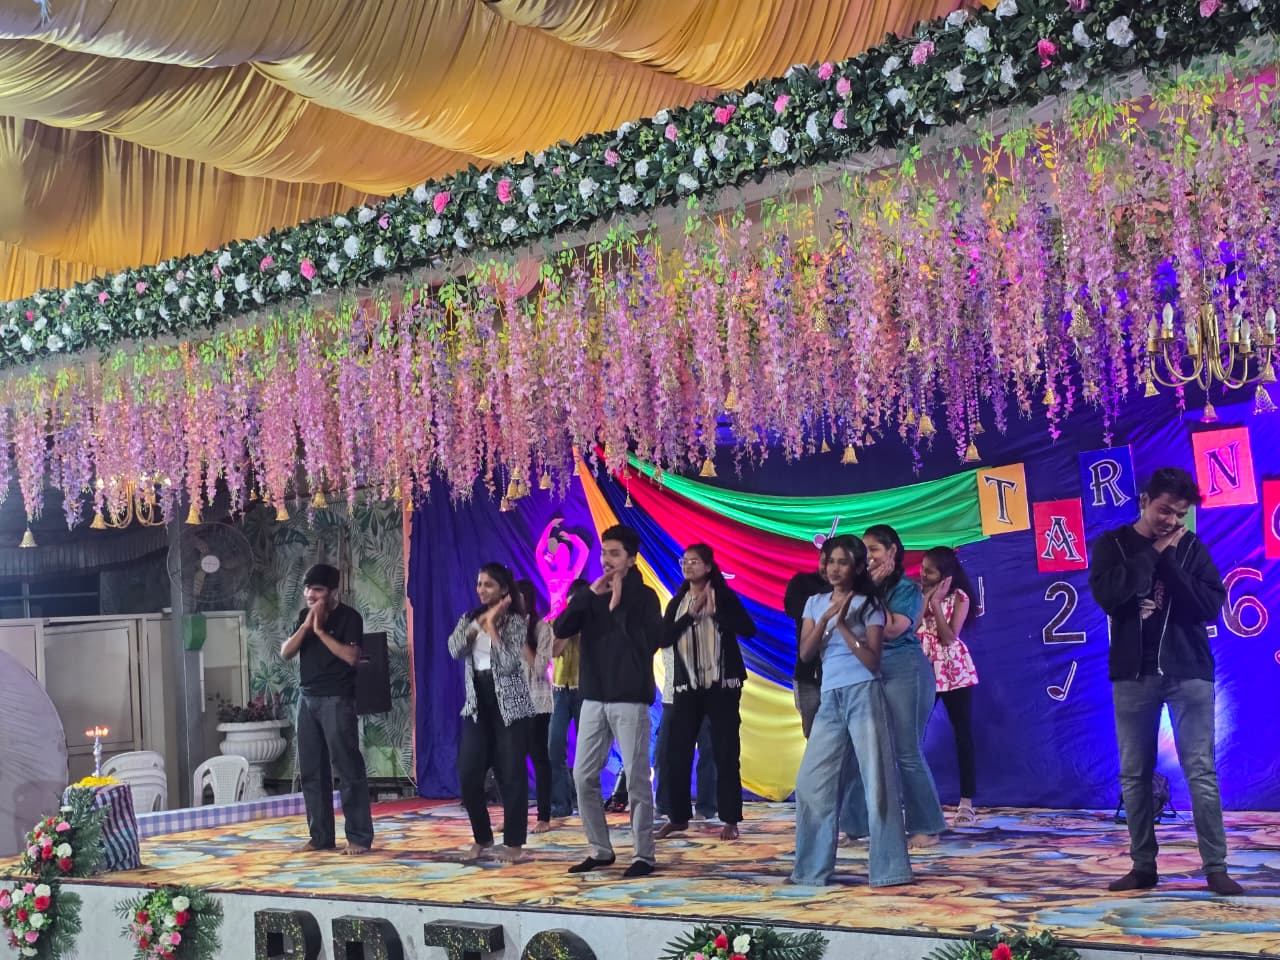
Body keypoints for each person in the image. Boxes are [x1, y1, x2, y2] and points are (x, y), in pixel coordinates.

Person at [1088, 466, 1242, 896]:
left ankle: (1215, 867)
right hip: (1133, 674)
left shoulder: (1190, 547)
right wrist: (1154, 552)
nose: (1171, 521)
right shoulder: (1114, 544)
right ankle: (1143, 867)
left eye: (1179, 514)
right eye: (1164, 510)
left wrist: (1170, 559)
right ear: (1144, 502)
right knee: (1134, 774)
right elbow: (1109, 595)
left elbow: (1207, 607)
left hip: (1188, 672)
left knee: (1201, 772)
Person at [791, 535, 912, 888]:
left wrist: (844, 626)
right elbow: (806, 654)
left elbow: (873, 661)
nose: (834, 568)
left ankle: (890, 871)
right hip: (830, 697)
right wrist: (827, 619)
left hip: (863, 691)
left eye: (842, 562)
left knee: (878, 783)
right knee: (810, 783)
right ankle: (811, 871)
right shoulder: (814, 602)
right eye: (830, 561)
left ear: (857, 567)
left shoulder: (869, 604)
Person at [553, 524, 662, 877]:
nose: (606, 560)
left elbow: (650, 645)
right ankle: (600, 850)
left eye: (615, 553)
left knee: (636, 779)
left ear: (631, 559)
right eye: (604, 553)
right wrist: (588, 596)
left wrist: (617, 608)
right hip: (593, 697)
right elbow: (561, 629)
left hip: (630, 698)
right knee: (583, 775)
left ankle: (643, 855)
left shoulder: (645, 598)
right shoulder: (591, 594)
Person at [840, 525, 946, 847]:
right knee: (861, 748)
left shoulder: (906, 590)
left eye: (873, 549)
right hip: (866, 671)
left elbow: (891, 629)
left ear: (892, 552)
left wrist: (871, 592)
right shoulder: (856, 588)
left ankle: (926, 827)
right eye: (864, 551)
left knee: (906, 751)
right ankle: (858, 825)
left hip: (904, 669)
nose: (868, 556)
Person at [657, 544, 753, 841]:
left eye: (694, 561)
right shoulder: (678, 601)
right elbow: (664, 638)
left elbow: (748, 629)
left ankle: (730, 819)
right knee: (676, 752)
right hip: (687, 686)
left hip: (722, 685)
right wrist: (690, 615)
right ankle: (678, 818)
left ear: (709, 566)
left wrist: (716, 614)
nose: (688, 566)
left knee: (725, 752)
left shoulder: (724, 597)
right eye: (685, 561)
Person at [280, 563, 374, 855]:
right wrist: (307, 626)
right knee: (312, 770)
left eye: (317, 590)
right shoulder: (303, 617)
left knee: (347, 768)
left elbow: (351, 657)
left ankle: (358, 837)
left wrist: (320, 631)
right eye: (307, 589)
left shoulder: (349, 618)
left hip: (337, 699)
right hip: (307, 699)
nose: (310, 594)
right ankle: (320, 837)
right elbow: (286, 652)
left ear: (333, 591)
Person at [447, 562, 537, 862]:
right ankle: (482, 837)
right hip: (477, 705)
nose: (481, 590)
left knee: (511, 774)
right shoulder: (468, 618)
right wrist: (479, 625)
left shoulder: (516, 622)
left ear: (503, 589)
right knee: (468, 773)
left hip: (510, 707)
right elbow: (454, 649)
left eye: (488, 584)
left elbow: (510, 664)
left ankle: (514, 843)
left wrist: (493, 629)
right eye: (479, 584)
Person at [918, 547, 979, 826]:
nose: (923, 574)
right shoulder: (916, 594)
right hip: (923, 668)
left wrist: (937, 604)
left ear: (945, 575)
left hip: (954, 672)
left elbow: (948, 637)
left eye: (929, 571)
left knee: (963, 734)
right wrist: (925, 601)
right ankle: (918, 800)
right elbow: (911, 628)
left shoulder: (960, 597)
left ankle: (966, 803)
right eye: (923, 568)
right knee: (913, 734)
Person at [515, 579, 556, 834]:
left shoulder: (542, 629)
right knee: (511, 761)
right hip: (513, 703)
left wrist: (520, 638)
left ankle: (544, 816)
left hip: (537, 703)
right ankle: (515, 816)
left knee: (539, 758)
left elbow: (540, 668)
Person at [548, 578, 590, 819]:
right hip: (560, 690)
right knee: (554, 747)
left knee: (589, 750)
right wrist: (567, 623)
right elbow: (553, 651)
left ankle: (586, 802)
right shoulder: (558, 621)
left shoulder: (595, 623)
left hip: (585, 690)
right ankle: (561, 804)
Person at [785, 561, 830, 737]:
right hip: (807, 674)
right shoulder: (802, 583)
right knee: (813, 738)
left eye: (840, 561)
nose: (830, 567)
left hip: (840, 676)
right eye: (827, 560)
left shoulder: (855, 591)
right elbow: (792, 609)